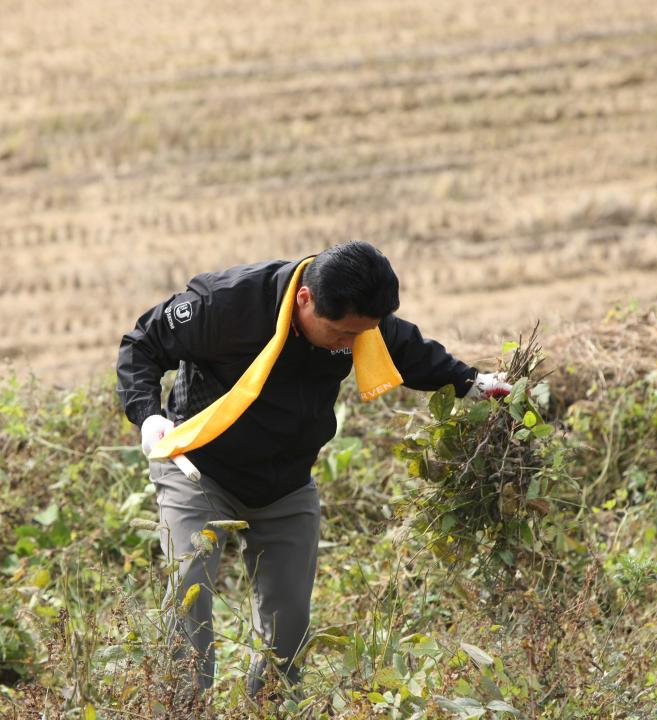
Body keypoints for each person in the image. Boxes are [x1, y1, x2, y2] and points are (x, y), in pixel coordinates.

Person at [115, 241, 510, 696]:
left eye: (362, 334)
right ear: (306, 300)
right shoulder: (227, 303)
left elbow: (407, 349)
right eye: (343, 335)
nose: (354, 344)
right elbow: (142, 343)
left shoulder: (360, 325)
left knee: (289, 625)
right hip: (200, 468)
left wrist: (471, 383)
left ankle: (273, 705)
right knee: (191, 592)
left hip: (285, 483)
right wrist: (148, 414)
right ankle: (184, 705)